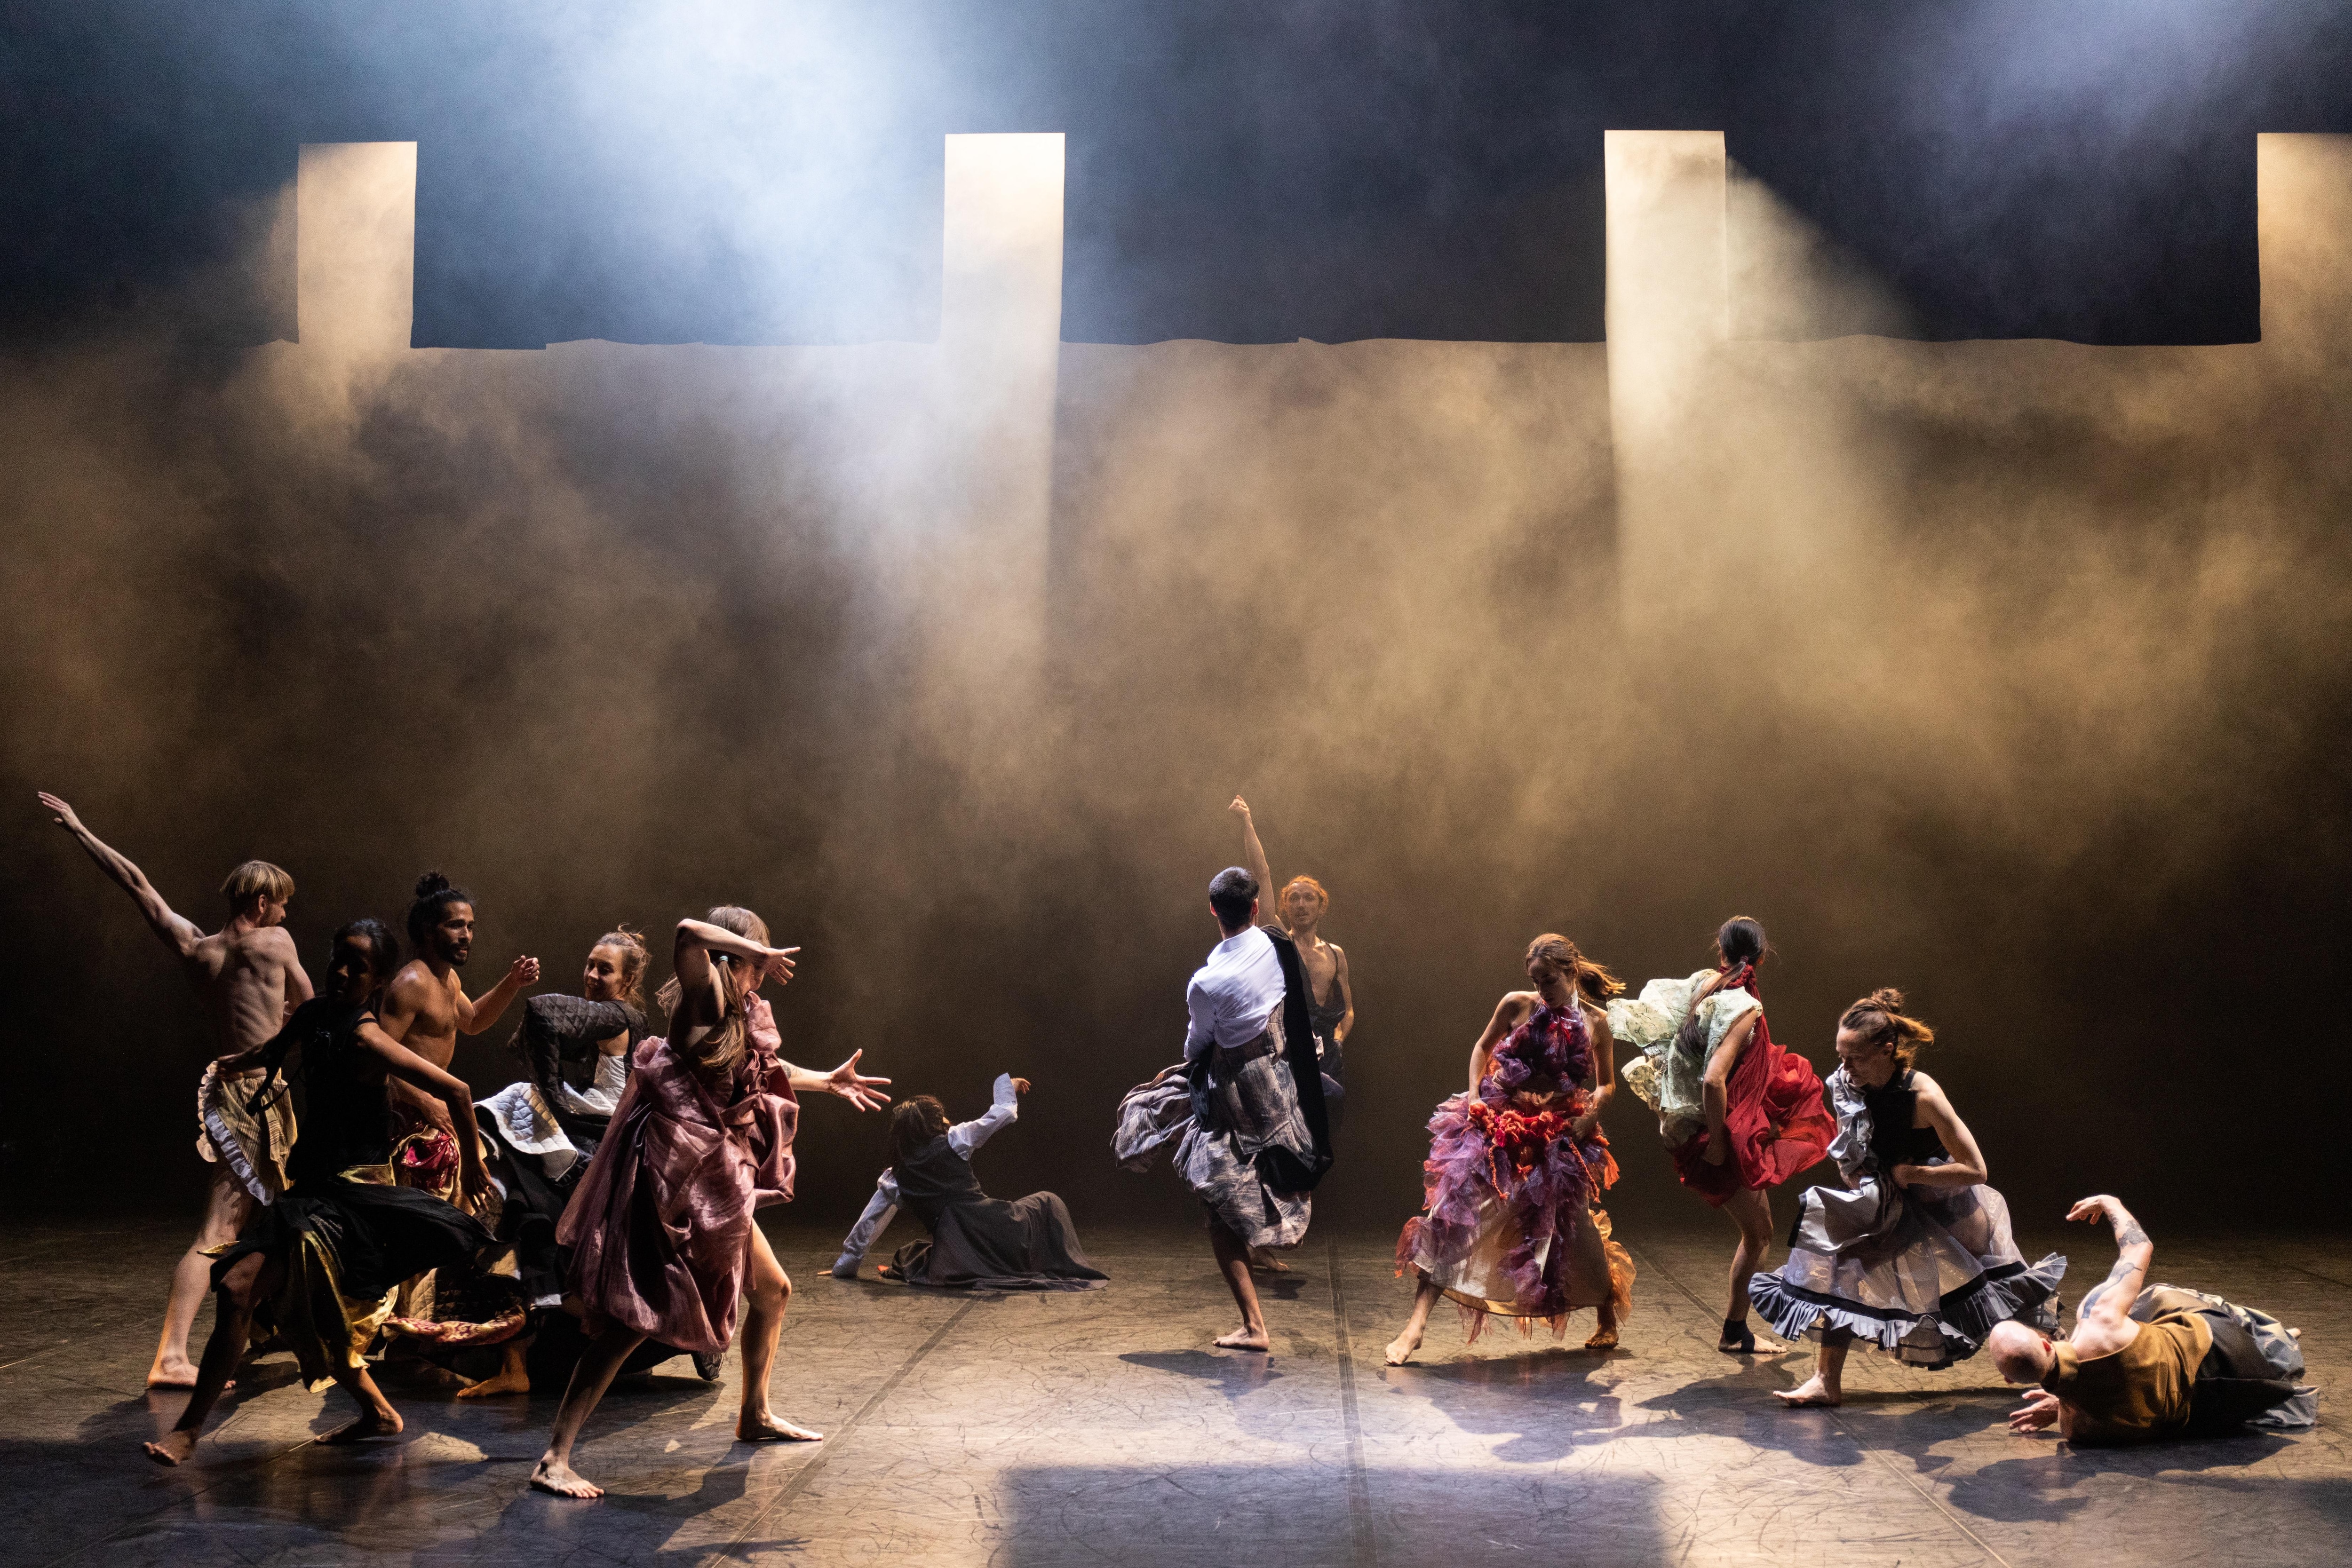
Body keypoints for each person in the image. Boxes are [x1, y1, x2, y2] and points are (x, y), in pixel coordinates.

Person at [531, 907, 892, 1499]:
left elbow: (764, 1069)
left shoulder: (742, 1010)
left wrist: (828, 1079)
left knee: (772, 1291)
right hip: (674, 1180)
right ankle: (554, 1457)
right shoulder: (704, 993)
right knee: (630, 1322)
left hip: (718, 1182)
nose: (763, 975)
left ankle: (753, 1414)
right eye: (756, 963)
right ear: (733, 958)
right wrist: (743, 952)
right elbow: (685, 931)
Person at [139, 918, 494, 1465]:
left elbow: (458, 1090)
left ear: (377, 982)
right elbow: (279, 1046)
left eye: (358, 966)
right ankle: (377, 1412)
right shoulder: (314, 1013)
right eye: (338, 956)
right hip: (311, 1191)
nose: (342, 970)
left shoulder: (366, 1037)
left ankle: (187, 1432)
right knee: (282, 1302)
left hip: (352, 1198)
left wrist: (472, 1164)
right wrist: (238, 1063)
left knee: (249, 1289)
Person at [38, 791, 313, 1389]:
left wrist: (82, 830)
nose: (287, 918)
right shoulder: (276, 944)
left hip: (224, 1090)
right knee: (218, 1228)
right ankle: (172, 1355)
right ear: (263, 903)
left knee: (270, 1214)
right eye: (284, 906)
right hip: (253, 1095)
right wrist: (286, 1032)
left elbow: (137, 883)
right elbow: (314, 1010)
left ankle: (265, 1324)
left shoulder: (197, 947)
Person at [1748, 989, 2066, 1406]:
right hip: (1891, 1208)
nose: (1844, 1067)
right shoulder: (1850, 1083)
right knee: (1842, 1269)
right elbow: (1856, 1136)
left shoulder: (1924, 1097)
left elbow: (1976, 1170)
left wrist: (1914, 1173)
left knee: (1999, 1291)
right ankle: (1827, 1381)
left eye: (1855, 1058)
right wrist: (1861, 1173)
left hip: (1944, 1208)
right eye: (1841, 1056)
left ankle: (2070, 1369)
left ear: (1887, 1049)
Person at [461, 927, 719, 1397]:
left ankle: (682, 1325)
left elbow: (540, 1014)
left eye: (605, 969)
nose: (593, 975)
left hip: (595, 1139)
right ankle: (517, 1360)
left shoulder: (620, 1014)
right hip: (588, 1132)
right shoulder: (613, 1017)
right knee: (524, 1219)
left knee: (535, 1216)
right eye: (590, 964)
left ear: (630, 978)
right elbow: (526, 1042)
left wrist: (554, 1094)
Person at [1386, 934, 1634, 1365]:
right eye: (1536, 981)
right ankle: (1416, 1326)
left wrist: (1591, 1115)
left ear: (1572, 972)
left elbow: (1608, 1084)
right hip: (1502, 1118)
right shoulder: (1518, 1005)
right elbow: (1483, 1047)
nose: (1543, 990)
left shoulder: (1596, 1022)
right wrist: (1475, 1093)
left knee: (1570, 1227)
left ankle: (1606, 1310)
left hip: (1557, 1129)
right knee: (1452, 1214)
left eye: (1550, 981)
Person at [1607, 917, 1834, 1354]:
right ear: (1762, 957)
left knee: (1761, 1230)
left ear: (1721, 952)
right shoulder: (1742, 1004)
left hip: (1705, 1126)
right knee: (1760, 1233)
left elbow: (1664, 1030)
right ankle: (1736, 1331)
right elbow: (1714, 1079)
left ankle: (1739, 1327)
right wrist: (1715, 1141)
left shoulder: (1704, 986)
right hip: (1715, 1133)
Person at [1988, 1195, 2315, 1445]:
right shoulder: (2099, 1319)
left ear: (2011, 1382)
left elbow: (2136, 1423)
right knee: (2155, 1296)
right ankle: (2276, 1338)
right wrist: (2110, 1202)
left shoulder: (2077, 1428)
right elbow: (2139, 1247)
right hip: (2223, 1351)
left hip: (2222, 1406)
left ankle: (2276, 1354)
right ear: (2045, 1341)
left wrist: (2062, 1402)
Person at [374, 871, 538, 1339]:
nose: (466, 934)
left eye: (469, 925)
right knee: (421, 1230)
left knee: (457, 1220)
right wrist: (424, 1100)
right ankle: (405, 1337)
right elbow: (376, 1058)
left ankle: (434, 1329)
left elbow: (471, 1021)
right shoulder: (411, 983)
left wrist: (510, 982)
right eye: (455, 926)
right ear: (429, 931)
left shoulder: (446, 980)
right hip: (411, 1128)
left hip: (438, 1122)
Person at [830, 1074, 1106, 1290]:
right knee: (1047, 1201)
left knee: (912, 1254)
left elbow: (871, 1219)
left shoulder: (896, 1176)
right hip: (991, 1228)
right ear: (934, 1123)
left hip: (956, 1250)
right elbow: (1005, 1113)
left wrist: (847, 1265)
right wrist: (1006, 1085)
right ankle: (1037, 1262)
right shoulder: (955, 1140)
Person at [1231, 796, 1353, 1105]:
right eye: (1294, 898)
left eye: (1308, 898)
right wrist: (1247, 822)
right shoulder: (1281, 942)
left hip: (1326, 1058)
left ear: (1321, 905)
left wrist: (1338, 1040)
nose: (1301, 904)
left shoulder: (1336, 955)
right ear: (1285, 906)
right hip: (1286, 1055)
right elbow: (1262, 875)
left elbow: (1348, 1010)